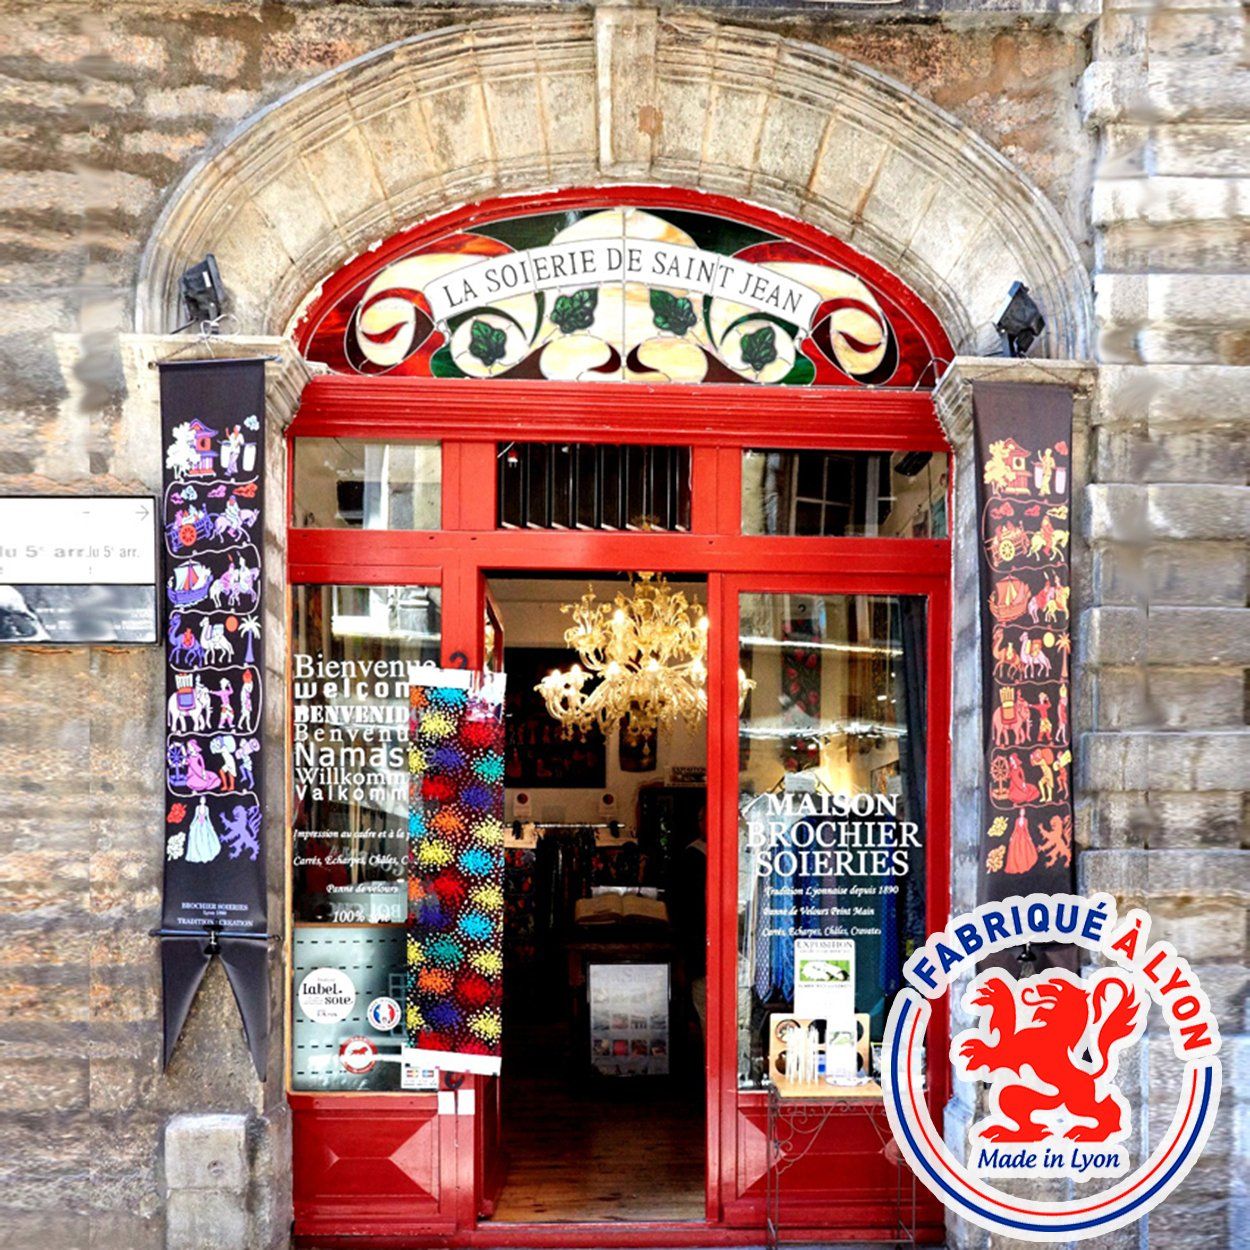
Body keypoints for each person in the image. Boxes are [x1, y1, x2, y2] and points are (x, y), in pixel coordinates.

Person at [676, 807, 708, 1039]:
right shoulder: (692, 857)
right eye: (704, 819)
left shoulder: (740, 851)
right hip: (701, 949)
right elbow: (686, 909)